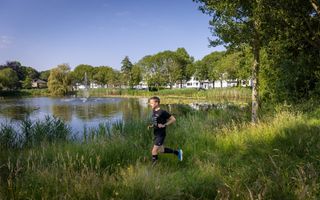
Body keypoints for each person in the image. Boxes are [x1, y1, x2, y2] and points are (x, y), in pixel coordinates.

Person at [148, 96, 183, 165]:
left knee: (154, 151)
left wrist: (165, 125)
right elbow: (157, 121)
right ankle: (177, 152)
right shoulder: (154, 111)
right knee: (161, 150)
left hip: (161, 134)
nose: (150, 104)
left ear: (157, 103)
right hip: (156, 133)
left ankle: (153, 167)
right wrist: (152, 126)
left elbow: (173, 119)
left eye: (151, 103)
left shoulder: (162, 112)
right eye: (150, 103)